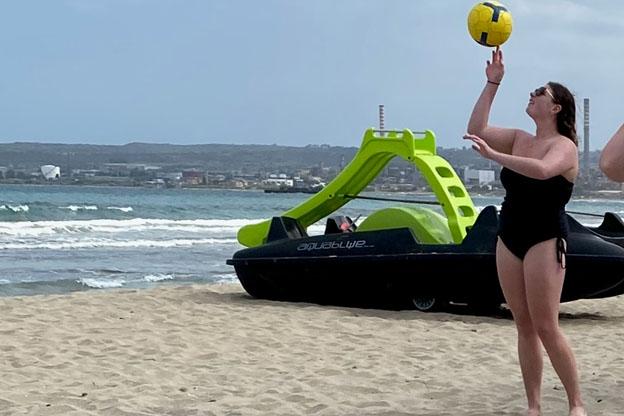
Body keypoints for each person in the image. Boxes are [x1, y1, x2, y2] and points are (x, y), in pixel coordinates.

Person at [464, 47, 586, 416]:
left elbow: (543, 170)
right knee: (523, 325)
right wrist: (492, 82)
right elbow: (476, 130)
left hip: (546, 237)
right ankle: (534, 407)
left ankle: (576, 405)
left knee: (547, 326)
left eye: (540, 93)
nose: (532, 96)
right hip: (510, 234)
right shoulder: (519, 137)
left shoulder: (564, 147)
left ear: (556, 108)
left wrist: (495, 157)